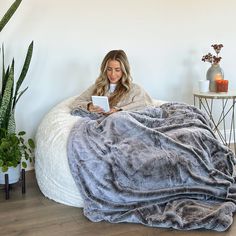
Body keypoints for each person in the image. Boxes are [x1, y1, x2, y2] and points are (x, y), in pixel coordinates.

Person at [71, 50, 154, 115]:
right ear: (104, 70)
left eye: (117, 70)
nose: (112, 74)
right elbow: (76, 102)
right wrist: (89, 106)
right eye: (109, 69)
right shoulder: (97, 87)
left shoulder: (135, 89)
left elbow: (148, 105)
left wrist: (118, 110)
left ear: (124, 70)